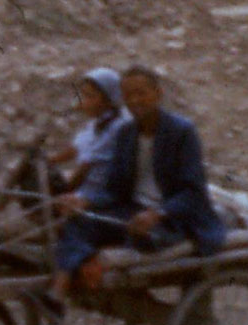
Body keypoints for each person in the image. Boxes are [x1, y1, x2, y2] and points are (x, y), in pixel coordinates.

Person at [51, 65, 225, 298]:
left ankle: (91, 264)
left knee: (141, 236)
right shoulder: (126, 133)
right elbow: (115, 189)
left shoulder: (182, 131)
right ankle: (57, 292)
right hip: (134, 212)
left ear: (158, 94)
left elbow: (193, 192)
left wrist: (157, 213)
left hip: (175, 219)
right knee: (77, 222)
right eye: (128, 95)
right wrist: (84, 200)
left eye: (141, 93)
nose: (135, 100)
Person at [49, 69, 128, 194]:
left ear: (108, 99)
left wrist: (63, 192)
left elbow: (86, 167)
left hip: (98, 190)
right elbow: (77, 147)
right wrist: (48, 161)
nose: (83, 101)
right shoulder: (98, 121)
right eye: (84, 95)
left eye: (90, 96)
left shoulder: (117, 125)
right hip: (89, 184)